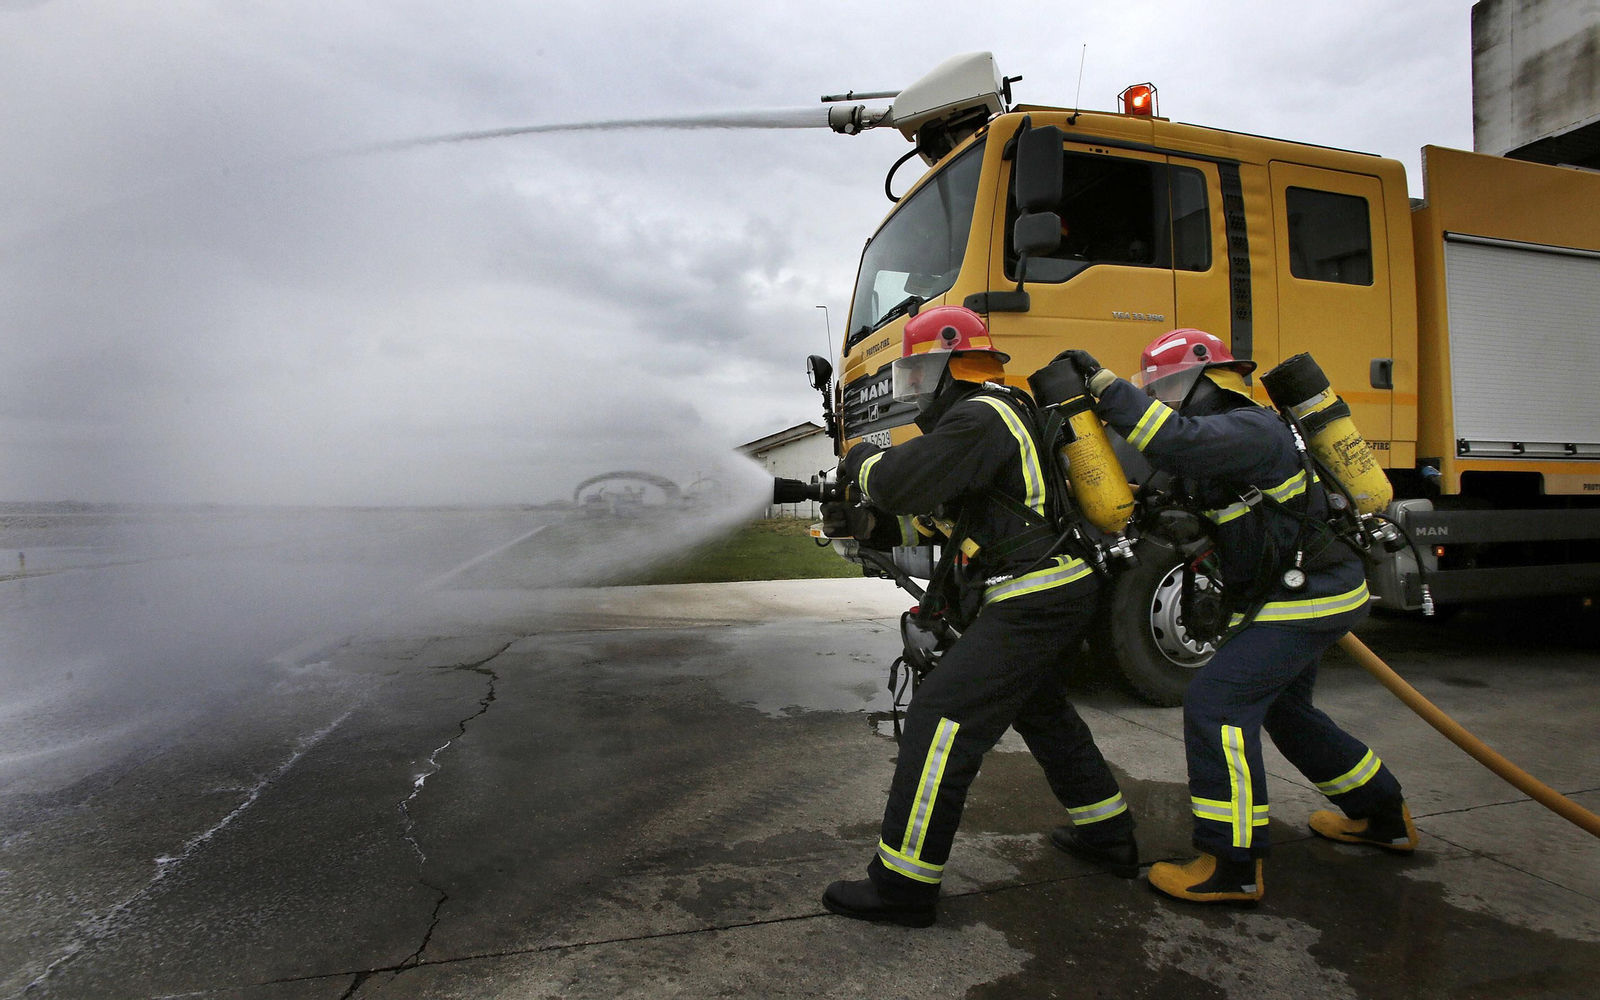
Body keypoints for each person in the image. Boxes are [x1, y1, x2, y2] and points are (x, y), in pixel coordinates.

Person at [1059, 329, 1416, 905]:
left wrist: (1106, 387)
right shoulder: (1225, 436)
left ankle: (1232, 867)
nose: (1166, 400)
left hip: (1310, 593)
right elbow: (1178, 486)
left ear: (1204, 379)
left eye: (1168, 387)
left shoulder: (1249, 428)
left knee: (1216, 703)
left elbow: (1172, 441)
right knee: (1285, 710)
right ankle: (1383, 816)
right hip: (1295, 592)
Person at [819, 305, 1137, 928]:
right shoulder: (1005, 411)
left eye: (916, 375)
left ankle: (903, 884)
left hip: (1034, 596)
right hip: (1052, 590)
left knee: (941, 720)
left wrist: (858, 461)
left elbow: (893, 481)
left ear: (949, 364)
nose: (911, 390)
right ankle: (1109, 834)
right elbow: (955, 512)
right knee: (1042, 711)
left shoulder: (980, 413)